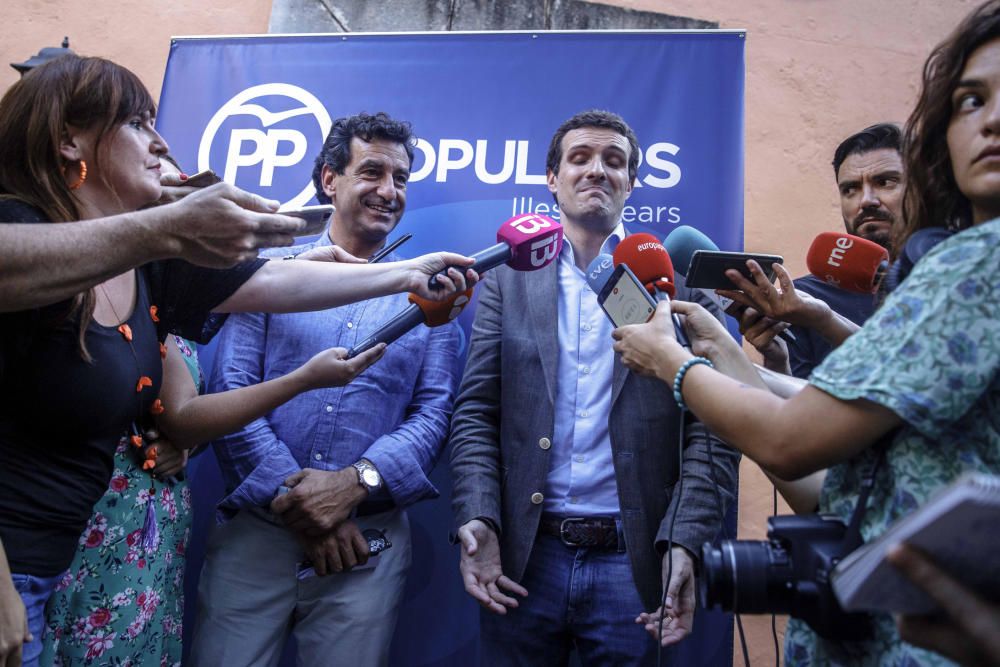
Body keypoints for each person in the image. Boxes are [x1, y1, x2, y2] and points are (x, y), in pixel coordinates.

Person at [0, 56, 474, 667]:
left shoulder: (155, 268)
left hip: (62, 563)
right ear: (70, 141)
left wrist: (409, 272)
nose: (161, 141)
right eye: (139, 124)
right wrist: (166, 226)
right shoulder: (28, 225)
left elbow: (277, 286)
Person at [611, 2, 1000, 663]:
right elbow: (828, 483)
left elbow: (789, 442)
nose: (990, 119)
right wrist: (729, 357)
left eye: (886, 181)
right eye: (970, 99)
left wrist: (673, 365)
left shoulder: (977, 262)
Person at [449, 109, 740, 665]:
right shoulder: (507, 280)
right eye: (578, 158)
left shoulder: (681, 285)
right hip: (522, 560)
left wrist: (685, 538)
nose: (596, 171)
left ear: (632, 182)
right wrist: (477, 515)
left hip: (634, 567)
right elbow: (475, 412)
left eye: (614, 161)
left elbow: (714, 430)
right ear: (552, 179)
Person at [189, 112, 463, 667]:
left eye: (401, 178)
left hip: (367, 549)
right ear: (328, 179)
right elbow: (232, 388)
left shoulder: (433, 299)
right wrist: (303, 506)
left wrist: (352, 487)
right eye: (372, 172)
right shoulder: (267, 275)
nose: (389, 191)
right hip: (257, 535)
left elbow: (434, 415)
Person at [780, 123, 905, 379]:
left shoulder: (955, 274)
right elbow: (794, 408)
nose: (866, 200)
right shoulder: (805, 298)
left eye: (885, 182)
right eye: (850, 189)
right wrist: (774, 358)